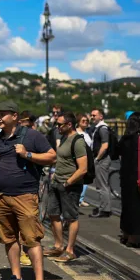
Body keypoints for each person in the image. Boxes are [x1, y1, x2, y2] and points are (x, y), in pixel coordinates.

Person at [0, 100, 56, 280]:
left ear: (14, 116)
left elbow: (52, 157)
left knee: (32, 239)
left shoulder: (32, 136)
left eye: (2, 114)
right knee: (8, 238)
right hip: (1, 196)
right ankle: (17, 277)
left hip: (25, 196)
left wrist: (28, 154)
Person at [43, 112, 88, 263]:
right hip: (57, 182)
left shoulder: (78, 141)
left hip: (70, 185)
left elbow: (83, 169)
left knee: (71, 217)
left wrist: (67, 182)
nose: (57, 127)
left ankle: (70, 250)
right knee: (53, 214)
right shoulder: (64, 138)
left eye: (60, 124)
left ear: (69, 125)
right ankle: (58, 246)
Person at [117, 112, 140, 247]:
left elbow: (116, 153)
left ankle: (125, 234)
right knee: (138, 208)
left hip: (125, 178)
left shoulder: (124, 139)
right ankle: (133, 238)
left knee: (126, 207)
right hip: (138, 179)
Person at [89, 108, 112, 218]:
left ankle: (104, 209)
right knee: (101, 184)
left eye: (94, 115)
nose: (92, 117)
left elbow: (105, 145)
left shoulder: (102, 128)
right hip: (101, 159)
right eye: (91, 115)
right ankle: (103, 207)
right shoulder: (98, 128)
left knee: (102, 185)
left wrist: (97, 158)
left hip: (102, 160)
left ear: (101, 116)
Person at [75, 114, 93, 207]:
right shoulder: (76, 133)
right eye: (83, 121)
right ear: (78, 122)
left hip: (87, 160)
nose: (85, 122)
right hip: (79, 159)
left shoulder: (87, 133)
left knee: (85, 180)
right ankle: (77, 199)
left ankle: (80, 199)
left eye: (87, 121)